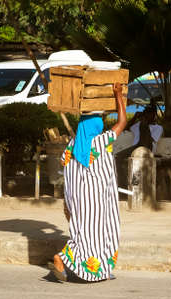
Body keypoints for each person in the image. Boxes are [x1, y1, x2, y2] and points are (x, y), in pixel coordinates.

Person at [51, 82, 127, 282]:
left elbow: (65, 170)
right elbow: (122, 122)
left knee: (82, 232)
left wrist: (66, 203)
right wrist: (118, 95)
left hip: (76, 199)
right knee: (99, 231)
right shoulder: (100, 142)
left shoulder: (72, 146)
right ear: (96, 127)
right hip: (96, 198)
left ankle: (100, 269)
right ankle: (61, 258)